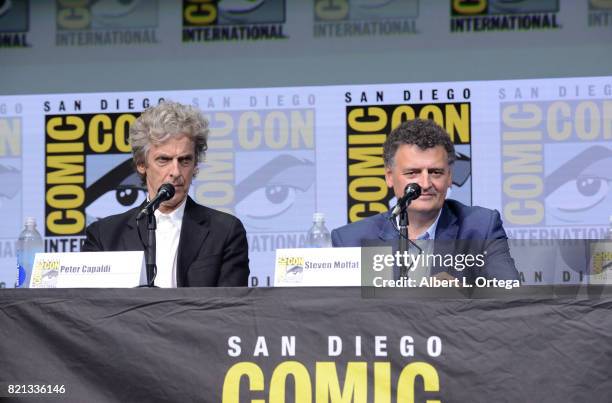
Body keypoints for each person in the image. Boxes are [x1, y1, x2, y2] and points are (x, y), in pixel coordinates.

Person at [82, 101, 249, 287]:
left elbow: (230, 309)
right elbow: (91, 309)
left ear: (195, 166)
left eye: (185, 160)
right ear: (141, 164)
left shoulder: (224, 231)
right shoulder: (104, 235)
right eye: (164, 159)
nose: (176, 171)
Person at [332, 118, 519, 282]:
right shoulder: (352, 240)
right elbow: (342, 313)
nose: (425, 183)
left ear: (449, 177)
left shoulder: (481, 228)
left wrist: (463, 293)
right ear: (389, 176)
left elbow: (512, 297)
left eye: (435, 172)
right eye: (412, 173)